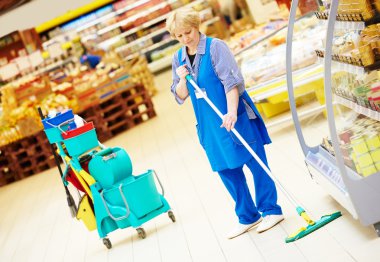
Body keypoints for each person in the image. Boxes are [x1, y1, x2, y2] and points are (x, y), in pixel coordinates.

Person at [166, 9, 284, 239]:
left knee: (255, 161)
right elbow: (180, 95)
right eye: (179, 36)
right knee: (226, 169)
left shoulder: (215, 47)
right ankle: (248, 216)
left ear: (196, 25)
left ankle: (271, 210)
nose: (185, 39)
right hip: (208, 124)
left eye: (187, 32)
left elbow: (231, 82)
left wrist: (231, 113)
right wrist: (181, 78)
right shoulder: (178, 59)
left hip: (234, 113)